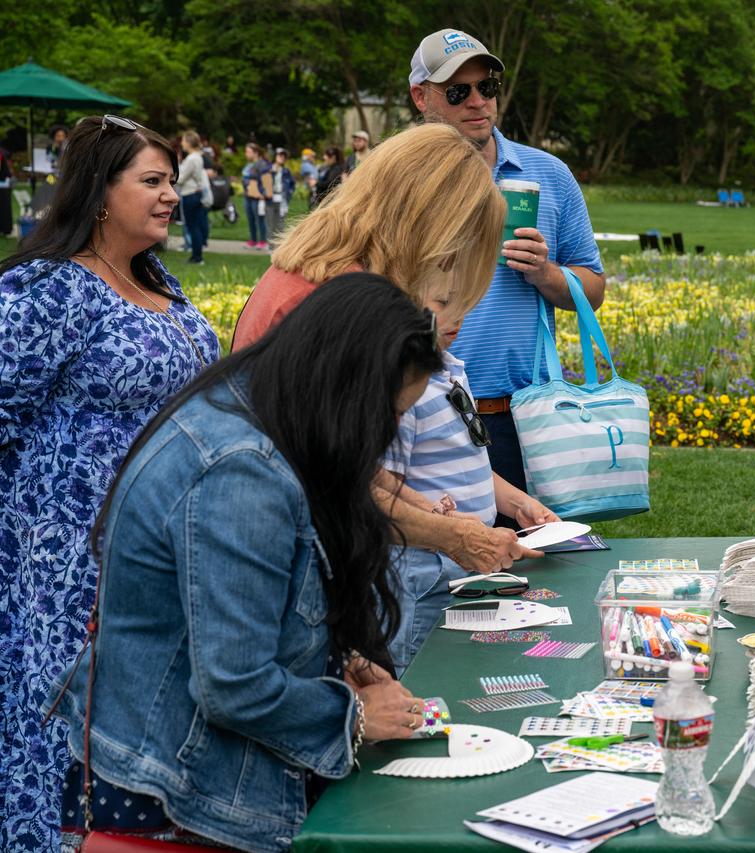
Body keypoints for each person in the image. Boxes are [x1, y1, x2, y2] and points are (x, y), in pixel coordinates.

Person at [44, 274, 437, 852]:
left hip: (185, 774)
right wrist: (350, 717)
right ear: (348, 386)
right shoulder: (240, 472)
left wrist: (335, 656)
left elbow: (255, 604)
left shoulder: (256, 409)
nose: (389, 432)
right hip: (182, 798)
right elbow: (235, 684)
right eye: (389, 411)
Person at [0, 115, 219, 852]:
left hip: (165, 540)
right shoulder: (50, 289)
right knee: (71, 712)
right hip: (74, 557)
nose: (169, 197)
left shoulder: (157, 278)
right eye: (151, 182)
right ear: (99, 192)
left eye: (170, 181)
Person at [232, 123, 533, 585]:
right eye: (452, 251)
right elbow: (335, 485)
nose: (450, 271)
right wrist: (454, 536)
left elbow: (354, 465)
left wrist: (428, 511)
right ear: (423, 223)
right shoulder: (345, 303)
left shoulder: (331, 275)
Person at [408, 27, 606, 524]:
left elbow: (594, 288)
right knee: (455, 577)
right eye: (458, 91)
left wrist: (547, 274)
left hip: (528, 419)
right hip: (432, 414)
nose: (478, 102)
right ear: (421, 97)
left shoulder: (548, 175)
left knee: (548, 574)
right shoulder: (401, 181)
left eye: (487, 87)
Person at [383, 283, 559, 673]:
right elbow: (381, 487)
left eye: (465, 303)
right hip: (423, 574)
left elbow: (470, 459)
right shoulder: (403, 386)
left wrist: (518, 503)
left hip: (465, 566)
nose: (459, 315)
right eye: (444, 302)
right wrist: (443, 521)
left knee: (460, 670)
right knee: (421, 674)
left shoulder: (450, 369)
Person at [176, 130, 211, 264]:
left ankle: (196, 256)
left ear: (189, 142)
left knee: (192, 226)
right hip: (196, 193)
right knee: (195, 225)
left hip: (190, 194)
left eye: (184, 140)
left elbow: (181, 178)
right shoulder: (197, 156)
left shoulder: (192, 159)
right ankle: (197, 255)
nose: (182, 143)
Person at [240, 141, 273, 250]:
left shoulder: (262, 164)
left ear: (256, 152)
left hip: (257, 197)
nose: (246, 154)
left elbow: (266, 180)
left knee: (259, 219)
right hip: (248, 196)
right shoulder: (248, 165)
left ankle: (262, 241)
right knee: (250, 218)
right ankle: (253, 240)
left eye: (248, 152)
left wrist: (263, 194)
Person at [266, 146, 296, 245]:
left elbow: (292, 184)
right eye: (280, 155)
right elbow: (263, 182)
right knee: (271, 223)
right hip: (270, 199)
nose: (282, 157)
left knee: (281, 224)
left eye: (284, 156)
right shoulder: (269, 169)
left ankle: (280, 246)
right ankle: (270, 246)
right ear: (275, 156)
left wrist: (289, 193)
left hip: (282, 199)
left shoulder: (286, 171)